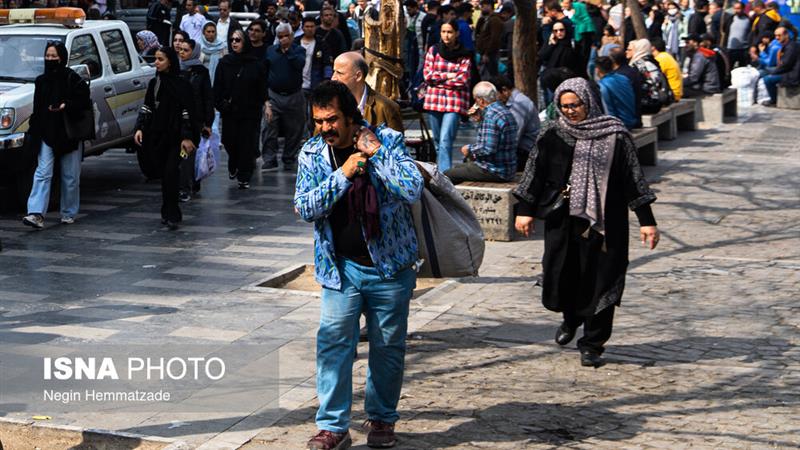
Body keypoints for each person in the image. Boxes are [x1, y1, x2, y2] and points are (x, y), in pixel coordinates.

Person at [296, 80, 423, 450]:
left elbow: (411, 188)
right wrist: (343, 175)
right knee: (333, 343)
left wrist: (377, 152)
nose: (325, 128)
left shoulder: (388, 140)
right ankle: (333, 425)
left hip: (390, 268)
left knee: (387, 347)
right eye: (319, 121)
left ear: (351, 116)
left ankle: (382, 419)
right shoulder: (313, 154)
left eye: (332, 119)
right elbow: (304, 207)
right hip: (340, 269)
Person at [513, 77, 660, 368]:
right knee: (562, 274)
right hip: (563, 221)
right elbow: (534, 174)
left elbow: (633, 179)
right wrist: (524, 209)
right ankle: (571, 318)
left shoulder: (615, 135)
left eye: (575, 105)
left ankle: (593, 343)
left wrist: (647, 221)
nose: (570, 111)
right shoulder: (552, 134)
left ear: (589, 101)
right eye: (564, 106)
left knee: (602, 280)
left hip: (607, 224)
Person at [22, 42, 92, 230]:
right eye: (48, 56)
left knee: (70, 176)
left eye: (54, 56)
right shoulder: (41, 81)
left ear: (62, 57)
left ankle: (68, 212)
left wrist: (66, 105)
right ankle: (36, 213)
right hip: (47, 133)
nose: (50, 59)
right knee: (43, 173)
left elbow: (84, 100)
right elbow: (38, 109)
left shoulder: (72, 78)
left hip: (68, 134)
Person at [133, 47, 199, 230]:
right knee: (164, 174)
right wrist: (140, 128)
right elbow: (147, 107)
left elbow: (187, 111)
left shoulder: (182, 84)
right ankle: (167, 210)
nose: (157, 63)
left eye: (161, 59)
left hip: (177, 138)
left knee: (171, 172)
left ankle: (173, 214)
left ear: (170, 61)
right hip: (158, 136)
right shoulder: (155, 83)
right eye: (155, 59)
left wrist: (187, 137)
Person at [214, 30, 268, 189]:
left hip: (249, 111)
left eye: (238, 40)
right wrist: (220, 104)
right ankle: (234, 164)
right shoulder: (225, 62)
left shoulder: (255, 63)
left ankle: (244, 175)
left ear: (244, 42)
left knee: (246, 144)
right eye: (232, 40)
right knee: (229, 141)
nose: (234, 43)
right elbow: (217, 86)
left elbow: (262, 86)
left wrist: (265, 104)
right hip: (230, 111)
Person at [423, 18, 472, 173]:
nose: (446, 35)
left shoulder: (464, 53)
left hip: (455, 103)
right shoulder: (434, 50)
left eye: (450, 32)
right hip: (434, 101)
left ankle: (445, 176)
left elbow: (462, 80)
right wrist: (449, 76)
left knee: (445, 140)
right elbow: (427, 75)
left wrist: (439, 79)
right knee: (437, 141)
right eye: (443, 32)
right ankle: (440, 173)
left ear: (457, 33)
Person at [445, 81, 518, 185]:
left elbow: (488, 148)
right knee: (460, 167)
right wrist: (478, 120)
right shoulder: (504, 110)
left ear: (481, 100)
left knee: (448, 174)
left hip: (495, 170)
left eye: (476, 100)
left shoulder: (490, 115)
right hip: (507, 168)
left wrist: (469, 149)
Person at [262, 23, 307, 172]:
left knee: (295, 129)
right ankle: (269, 159)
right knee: (269, 128)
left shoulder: (299, 50)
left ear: (292, 36)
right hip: (274, 95)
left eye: (286, 36)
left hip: (294, 95)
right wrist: (266, 100)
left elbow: (299, 64)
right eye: (280, 37)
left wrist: (288, 52)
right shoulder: (270, 51)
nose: (283, 39)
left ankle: (289, 157)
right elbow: (264, 73)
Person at [177, 39, 213, 202]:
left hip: (195, 120)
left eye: (186, 50)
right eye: (181, 49)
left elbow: (207, 97)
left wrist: (208, 123)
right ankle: (189, 182)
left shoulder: (201, 72)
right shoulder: (176, 69)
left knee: (189, 153)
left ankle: (186, 186)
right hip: (178, 118)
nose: (182, 52)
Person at [332, 51, 404, 132]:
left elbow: (396, 143)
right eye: (334, 71)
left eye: (339, 73)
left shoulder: (387, 108)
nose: (333, 78)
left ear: (358, 76)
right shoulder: (330, 104)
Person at [490, 75, 540, 170]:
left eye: (494, 95)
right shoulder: (510, 103)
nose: (494, 99)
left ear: (504, 90)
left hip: (525, 154)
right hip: (517, 151)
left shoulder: (519, 104)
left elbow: (513, 138)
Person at [627, 38, 672, 114]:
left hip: (648, 104)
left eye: (629, 49)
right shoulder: (654, 62)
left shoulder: (638, 65)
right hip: (659, 102)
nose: (626, 51)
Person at [595, 56, 639, 129]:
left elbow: (609, 110)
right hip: (631, 120)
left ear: (597, 70)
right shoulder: (624, 78)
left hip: (620, 125)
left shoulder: (602, 86)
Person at [762, 27, 799, 106]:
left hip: (792, 75)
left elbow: (786, 65)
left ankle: (774, 100)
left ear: (786, 35)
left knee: (767, 79)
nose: (777, 38)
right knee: (763, 72)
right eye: (776, 35)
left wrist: (774, 73)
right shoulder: (786, 46)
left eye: (779, 35)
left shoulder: (791, 47)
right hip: (788, 71)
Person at [475, 1, 514, 78]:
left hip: (490, 54)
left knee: (491, 76)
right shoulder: (487, 19)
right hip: (484, 53)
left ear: (489, 6)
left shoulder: (495, 20)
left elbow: (495, 38)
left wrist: (487, 53)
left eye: (483, 6)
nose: (481, 8)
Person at [651, 37, 683, 101]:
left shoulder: (660, 59)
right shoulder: (666, 56)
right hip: (676, 92)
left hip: (672, 95)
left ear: (653, 48)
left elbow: (655, 77)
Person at [722, 1, 750, 69]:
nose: (737, 10)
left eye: (738, 8)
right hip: (731, 49)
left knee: (742, 70)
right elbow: (724, 30)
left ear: (743, 9)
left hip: (743, 49)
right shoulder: (730, 19)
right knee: (729, 69)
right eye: (735, 8)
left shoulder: (748, 20)